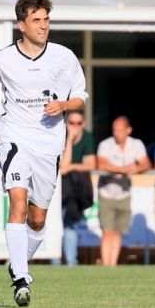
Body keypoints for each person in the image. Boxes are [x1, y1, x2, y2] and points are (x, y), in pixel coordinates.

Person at [0, 0, 88, 305]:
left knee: (38, 220)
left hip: (49, 144)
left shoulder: (63, 57)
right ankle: (21, 279)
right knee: (18, 205)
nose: (43, 25)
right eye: (36, 20)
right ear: (21, 25)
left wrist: (64, 104)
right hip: (14, 139)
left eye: (46, 19)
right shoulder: (2, 59)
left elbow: (81, 97)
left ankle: (18, 263)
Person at [96, 116, 151, 267]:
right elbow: (101, 165)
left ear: (128, 130)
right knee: (107, 231)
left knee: (118, 232)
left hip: (125, 193)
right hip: (106, 192)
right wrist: (124, 169)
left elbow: (146, 164)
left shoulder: (136, 144)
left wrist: (136, 168)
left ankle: (112, 265)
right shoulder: (105, 144)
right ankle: (106, 265)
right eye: (114, 129)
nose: (116, 133)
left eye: (120, 130)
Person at [58, 112, 96, 266]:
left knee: (70, 223)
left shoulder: (87, 138)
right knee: (54, 225)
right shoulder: (59, 136)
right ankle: (55, 261)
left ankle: (71, 262)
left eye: (78, 123)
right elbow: (63, 163)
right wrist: (68, 140)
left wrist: (72, 167)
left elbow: (91, 164)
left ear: (84, 124)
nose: (75, 126)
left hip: (74, 189)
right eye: (71, 123)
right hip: (55, 188)